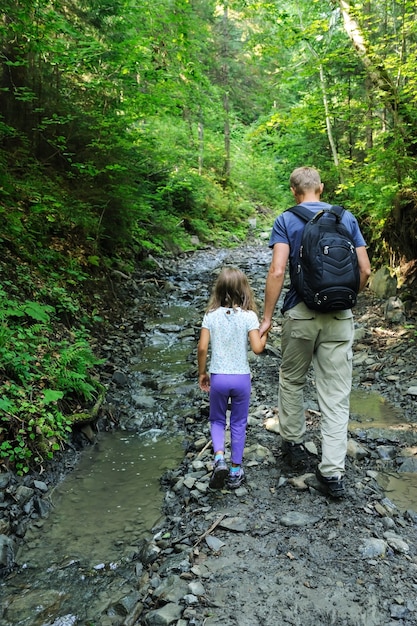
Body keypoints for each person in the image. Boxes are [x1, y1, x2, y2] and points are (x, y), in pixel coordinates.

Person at [259, 167, 371, 498]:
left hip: (301, 314)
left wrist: (266, 318)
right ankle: (332, 474)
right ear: (321, 188)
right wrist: (347, 298)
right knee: (336, 394)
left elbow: (278, 270)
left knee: (292, 379)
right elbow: (364, 270)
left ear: (294, 191)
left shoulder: (286, 219)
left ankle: (293, 446)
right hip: (339, 315)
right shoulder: (345, 218)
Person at [198, 267, 268, 490]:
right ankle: (236, 470)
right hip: (241, 379)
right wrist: (264, 330)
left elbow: (202, 348)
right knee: (238, 423)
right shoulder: (249, 316)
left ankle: (219, 458)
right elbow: (257, 349)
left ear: (218, 290)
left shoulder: (211, 315)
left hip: (219, 377)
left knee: (217, 420)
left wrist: (202, 372)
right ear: (243, 290)